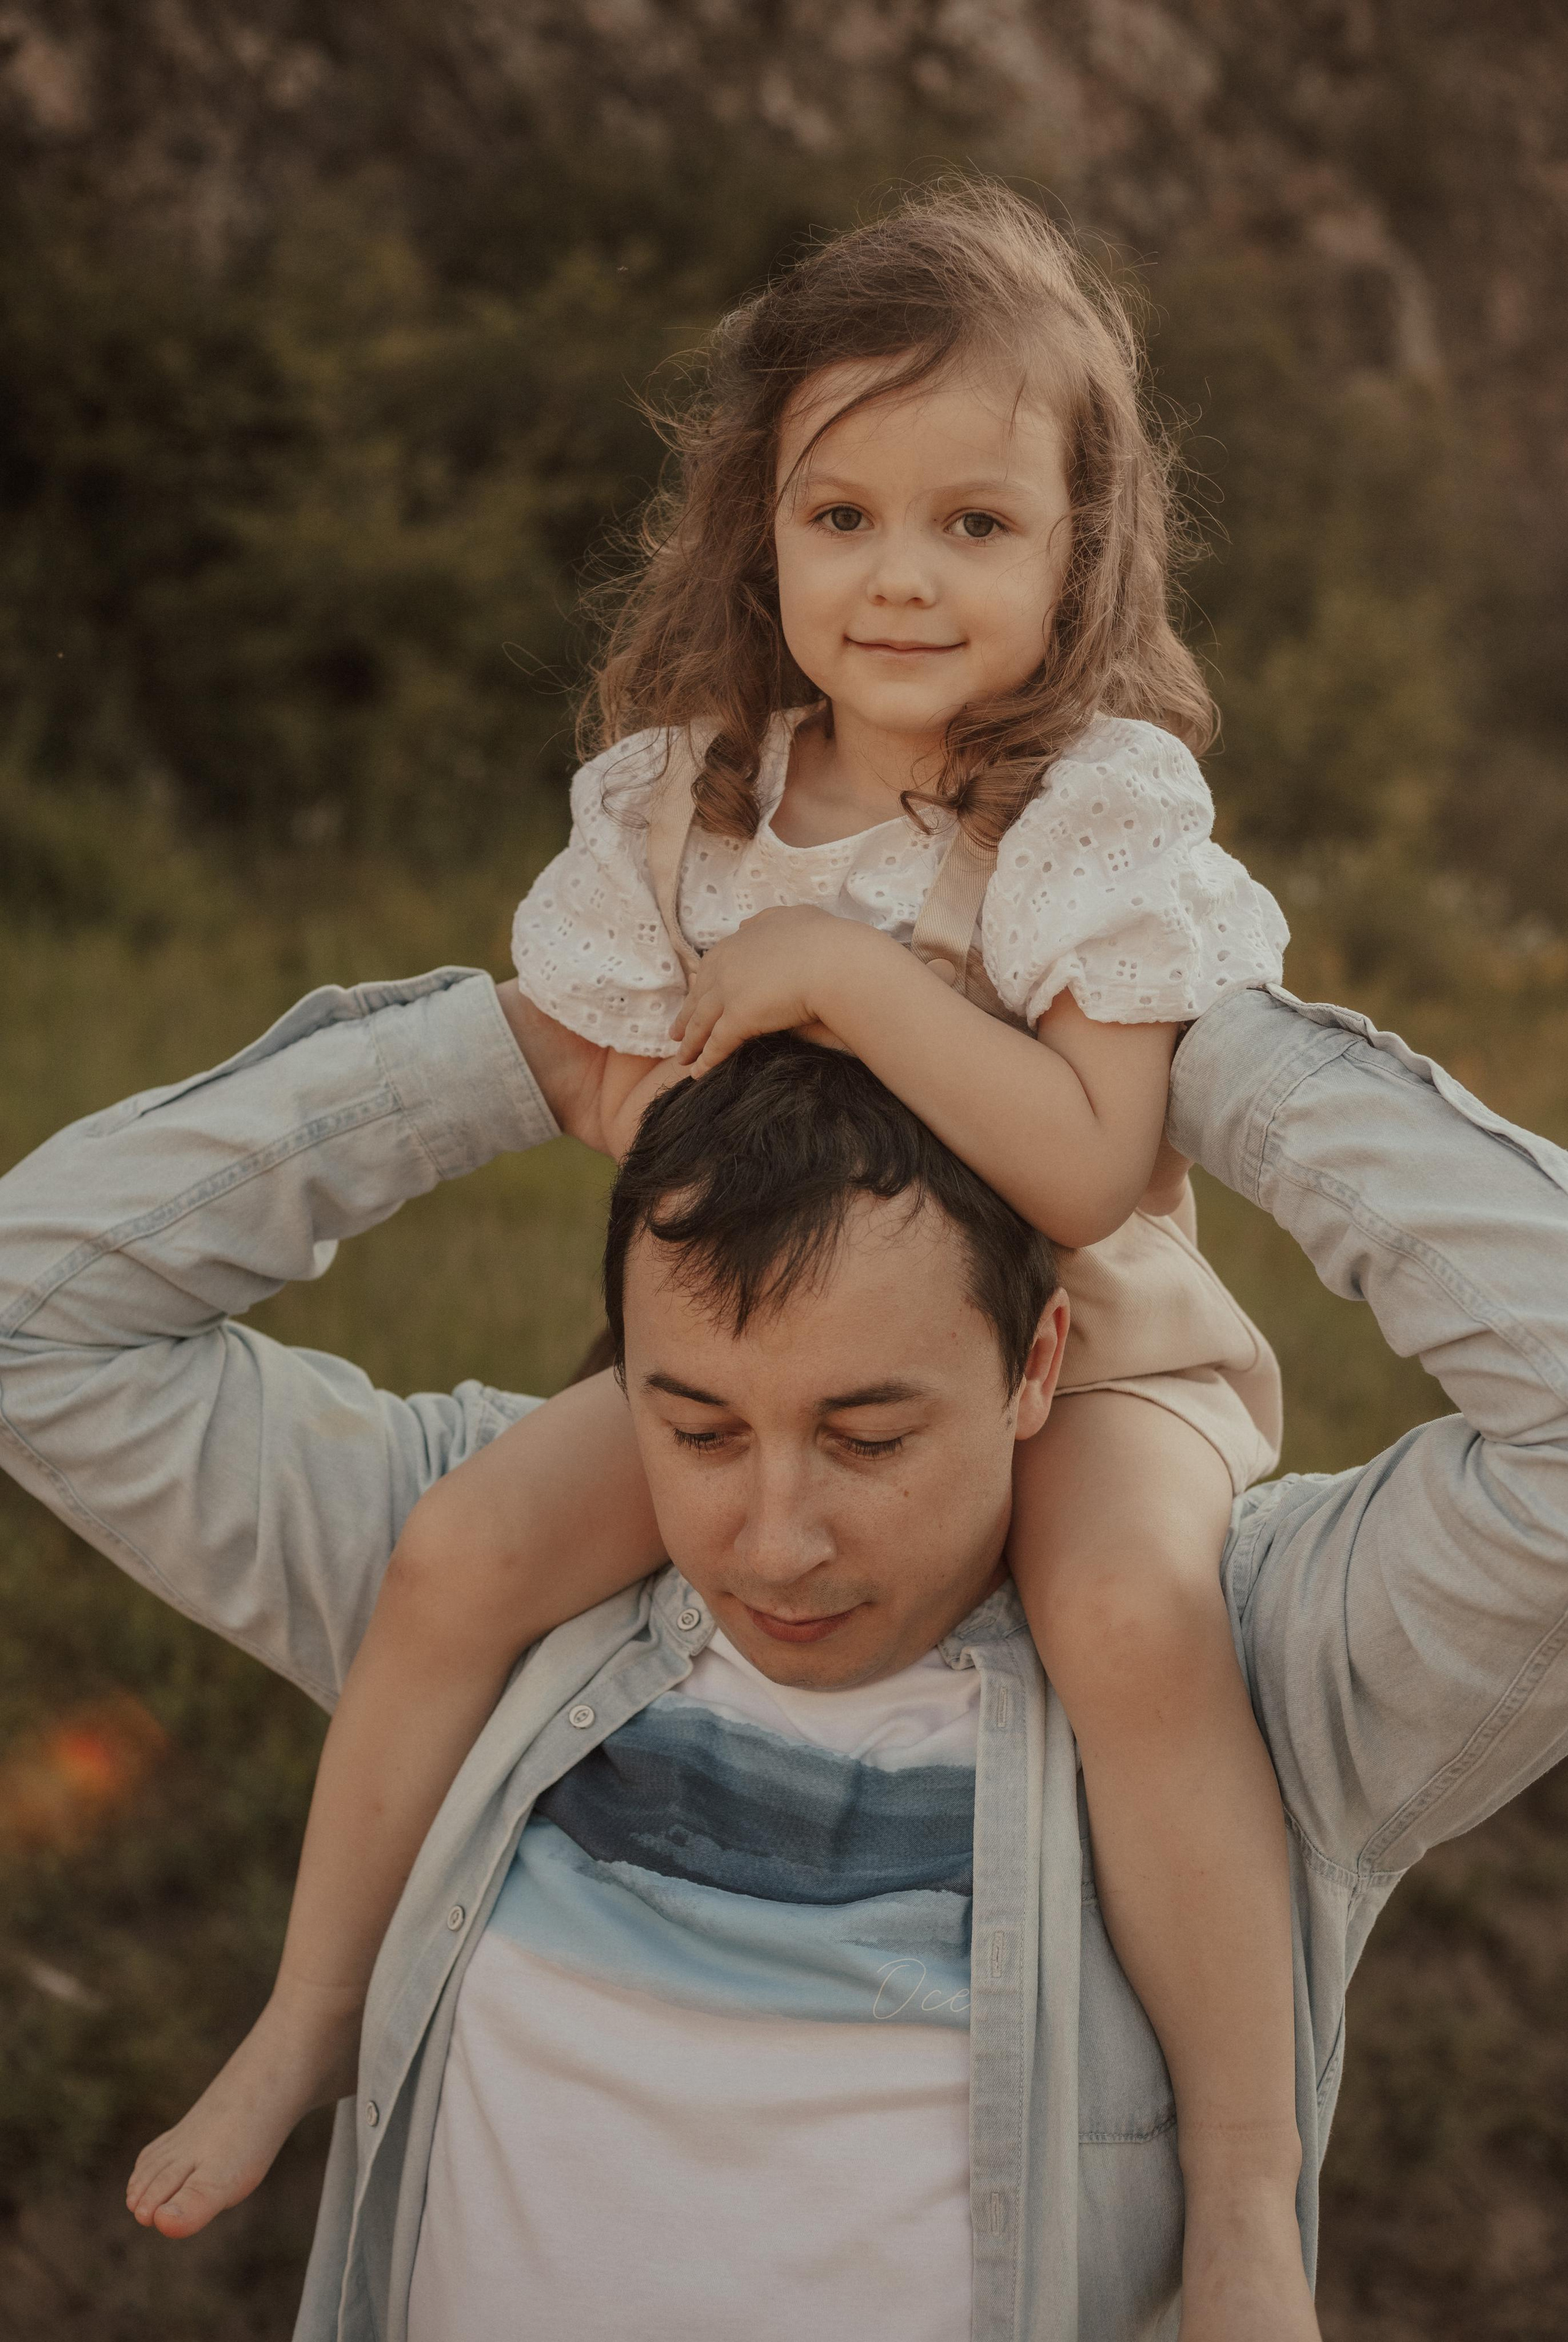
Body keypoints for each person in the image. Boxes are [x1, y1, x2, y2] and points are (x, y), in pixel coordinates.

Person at [118, 182, 1307, 2332]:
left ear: (1079, 543)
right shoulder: (694, 801)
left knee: (1130, 1609)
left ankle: (1244, 2193)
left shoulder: (1089, 813)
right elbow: (625, 1088)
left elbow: (1082, 1154)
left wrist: (838, 981)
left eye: (973, 523)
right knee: (461, 1549)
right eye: (841, 515)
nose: (901, 578)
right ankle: (311, 2005)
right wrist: (667, 1073)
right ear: (760, 526)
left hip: (1097, 1346)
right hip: (773, 1353)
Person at [3, 973, 1568, 2342]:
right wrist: (529, 1055)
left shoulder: (1250, 1661)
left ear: (1037, 1363)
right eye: (691, 1427)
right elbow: (35, 1317)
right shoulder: (505, 1581)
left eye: (868, 1432)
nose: (770, 1542)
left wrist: (1172, 1036)